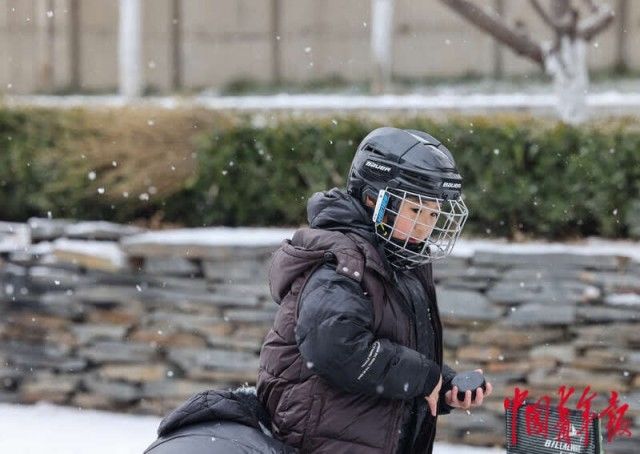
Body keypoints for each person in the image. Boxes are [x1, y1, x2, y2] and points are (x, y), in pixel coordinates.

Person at [257, 126, 493, 454]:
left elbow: (395, 348)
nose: (425, 225)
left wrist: (443, 383)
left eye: (433, 213)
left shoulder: (401, 261)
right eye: (415, 210)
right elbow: (336, 347)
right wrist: (423, 376)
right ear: (373, 200)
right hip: (327, 443)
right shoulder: (342, 261)